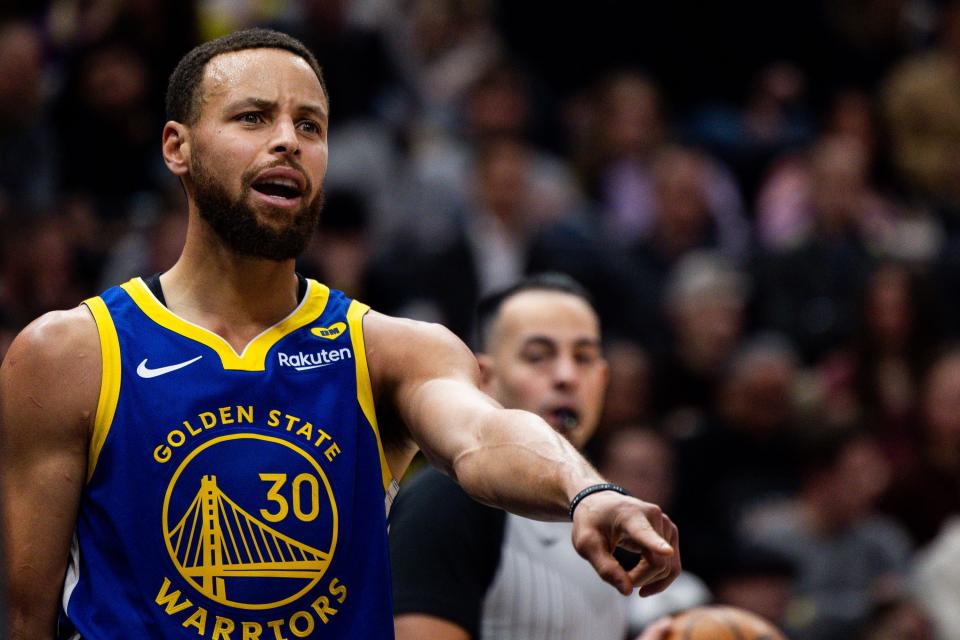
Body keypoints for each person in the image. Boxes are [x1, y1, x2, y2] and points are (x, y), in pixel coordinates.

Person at [0, 28, 680, 639]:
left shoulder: (387, 349)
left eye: (311, 124)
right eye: (253, 117)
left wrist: (587, 491)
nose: (289, 140)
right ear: (177, 147)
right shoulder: (69, 354)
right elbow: (28, 618)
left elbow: (484, 434)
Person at [390, 274, 636, 639]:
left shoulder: (613, 512)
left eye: (583, 357)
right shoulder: (446, 500)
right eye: (538, 356)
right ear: (483, 379)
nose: (567, 376)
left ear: (602, 379)